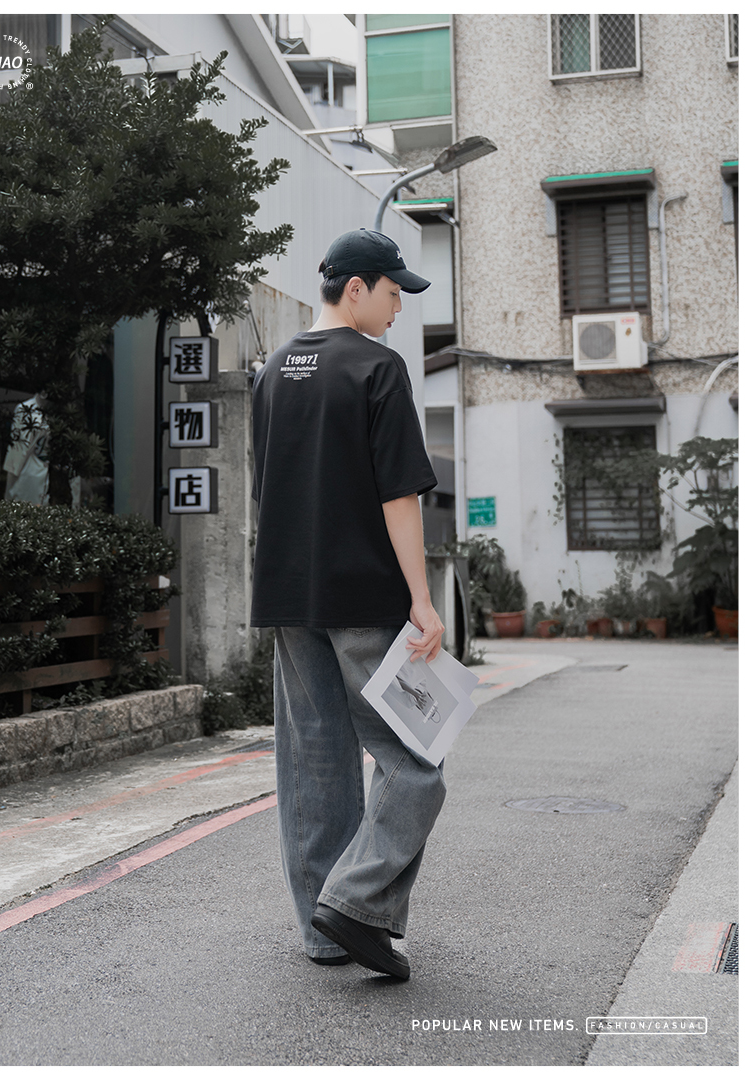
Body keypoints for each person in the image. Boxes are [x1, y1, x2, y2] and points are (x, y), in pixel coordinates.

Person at [250, 228, 448, 980]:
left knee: (315, 762)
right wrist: (421, 598)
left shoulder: (273, 370)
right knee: (415, 762)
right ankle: (356, 903)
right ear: (356, 288)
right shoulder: (377, 367)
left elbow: (270, 488)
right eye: (394, 292)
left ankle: (326, 931)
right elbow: (399, 494)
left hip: (287, 594)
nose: (399, 308)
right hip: (364, 592)